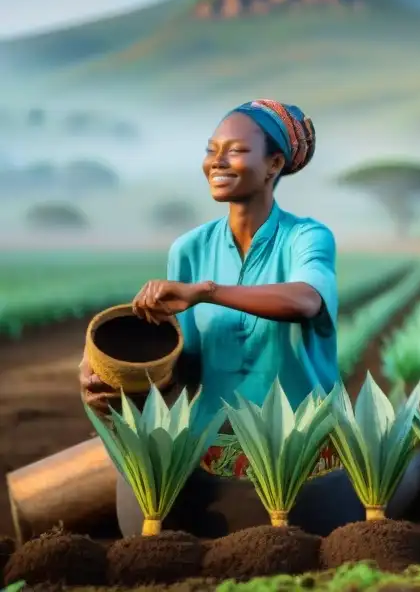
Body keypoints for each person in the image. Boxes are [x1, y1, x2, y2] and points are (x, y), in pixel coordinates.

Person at [79, 99, 362, 537]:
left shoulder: (306, 237)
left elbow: (306, 300)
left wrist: (207, 292)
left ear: (274, 164)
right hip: (210, 462)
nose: (217, 162)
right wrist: (114, 380)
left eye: (234, 150)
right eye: (211, 150)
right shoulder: (189, 249)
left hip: (304, 463)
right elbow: (186, 366)